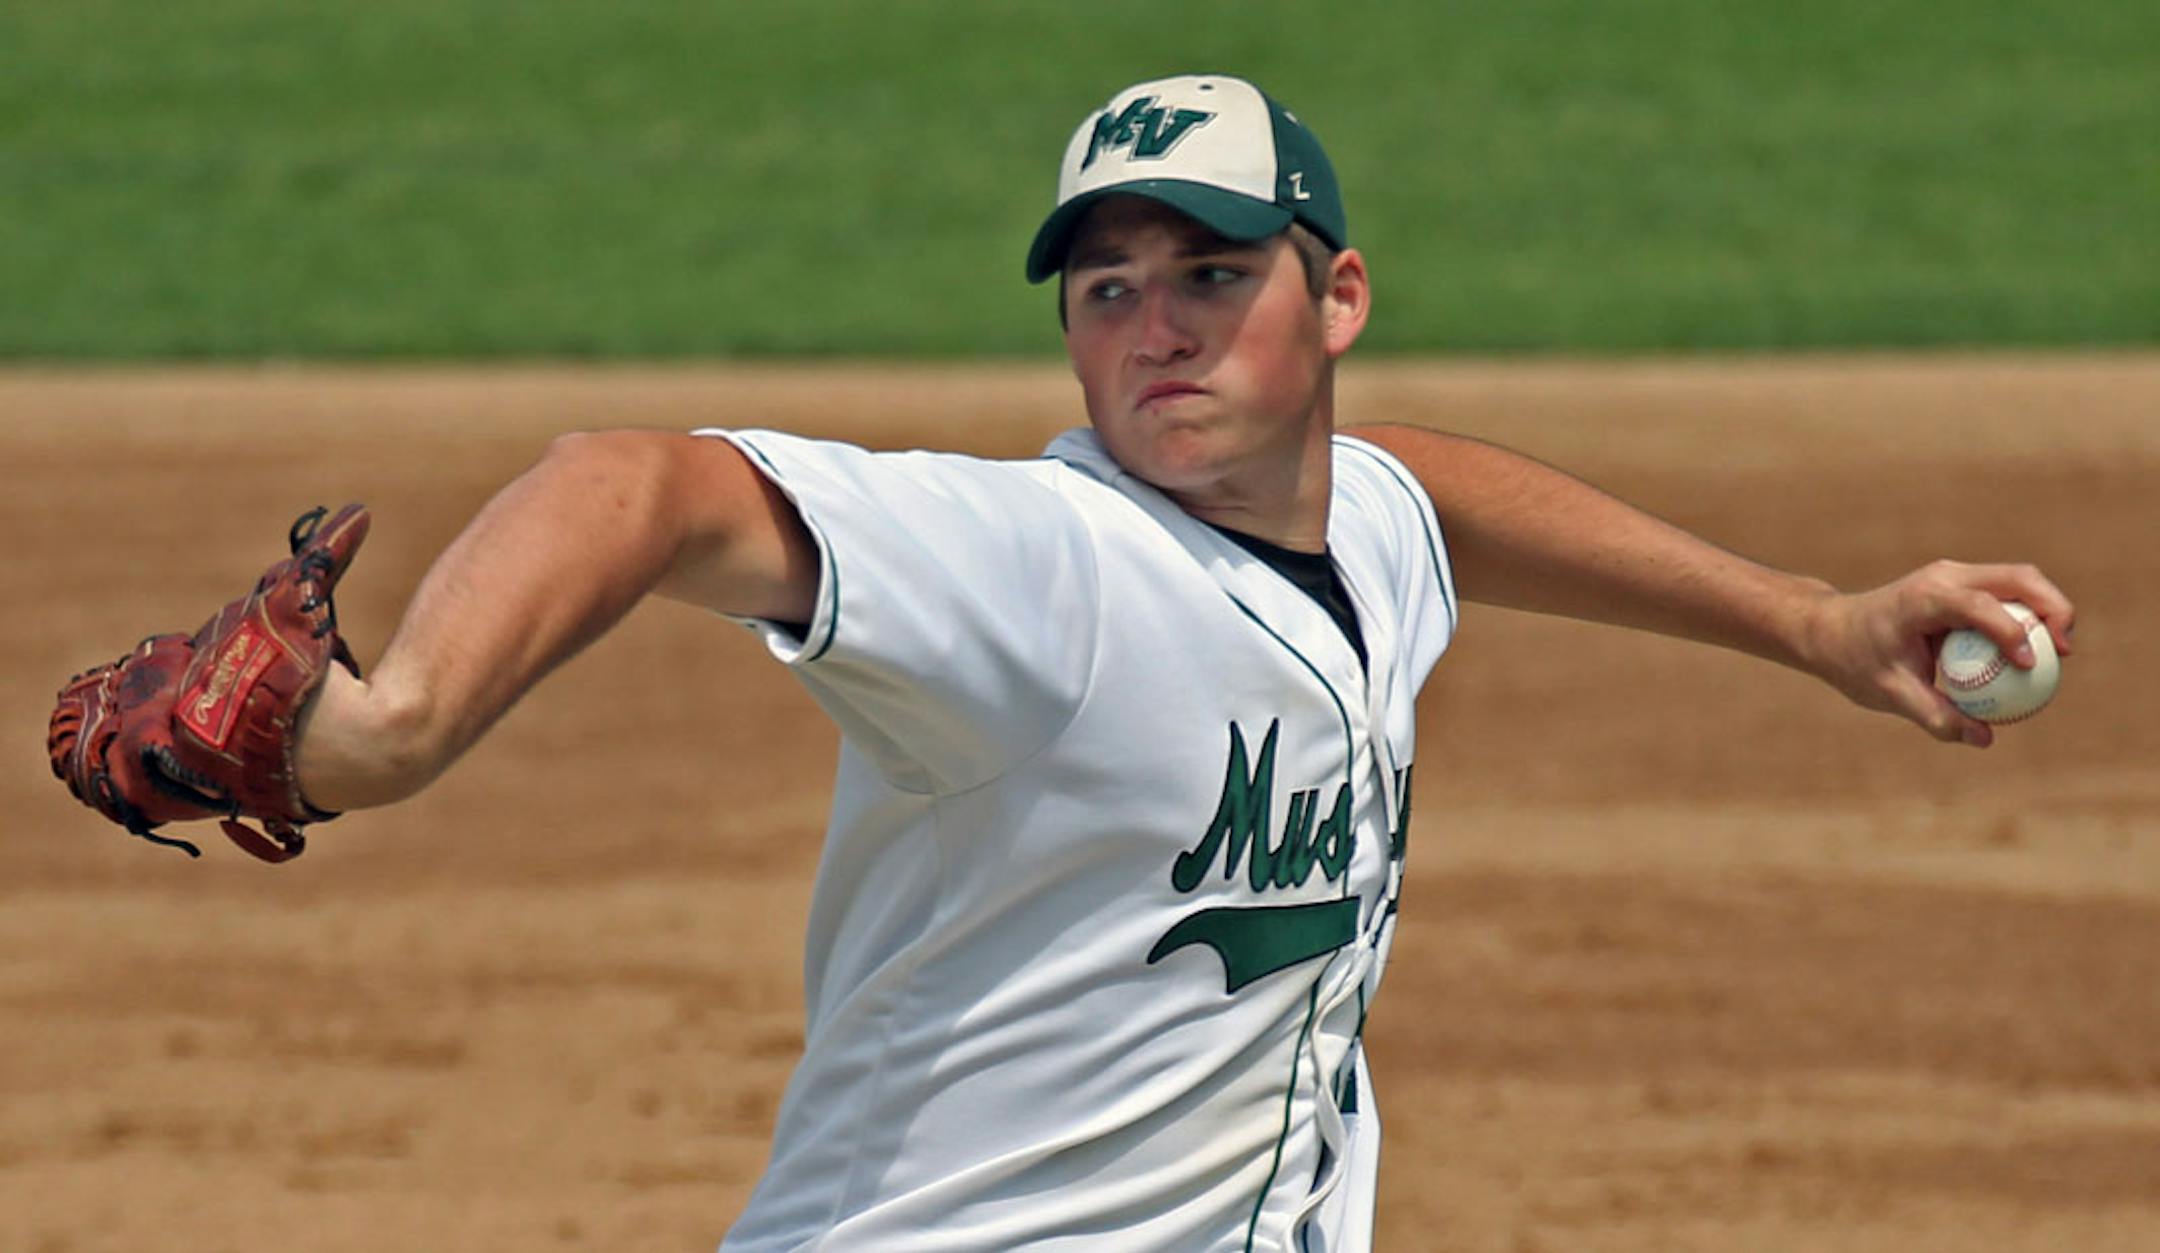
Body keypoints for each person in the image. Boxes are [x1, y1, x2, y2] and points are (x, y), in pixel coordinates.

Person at [276, 74, 2072, 1250]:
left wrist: (1810, 621)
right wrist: (398, 728)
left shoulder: (1350, 520)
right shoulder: (1047, 571)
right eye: (1107, 290)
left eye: (1210, 274)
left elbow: (1422, 496)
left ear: (1337, 300)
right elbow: (640, 483)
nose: (1154, 328)